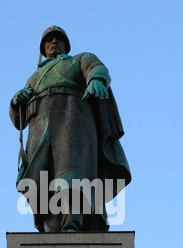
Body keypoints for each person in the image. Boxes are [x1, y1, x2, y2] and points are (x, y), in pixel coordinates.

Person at [9, 26, 131, 232]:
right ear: (43, 49)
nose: (53, 43)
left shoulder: (79, 60)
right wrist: (16, 103)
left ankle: (72, 222)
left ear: (66, 44)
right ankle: (51, 227)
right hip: (40, 126)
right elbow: (18, 119)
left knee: (71, 175)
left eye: (58, 39)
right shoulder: (34, 77)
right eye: (49, 41)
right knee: (41, 179)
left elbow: (97, 68)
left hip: (72, 118)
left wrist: (95, 80)